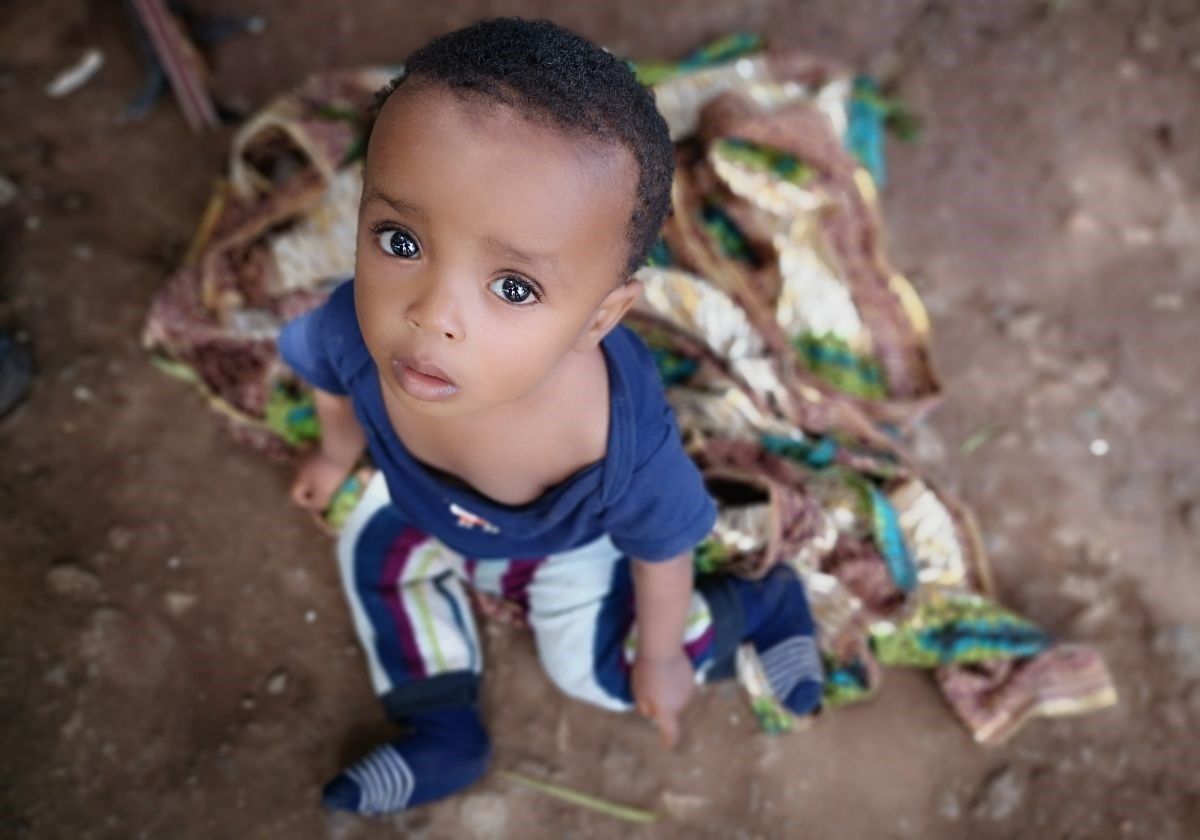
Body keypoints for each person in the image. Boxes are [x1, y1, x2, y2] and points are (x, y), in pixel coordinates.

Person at [279, 18, 823, 815]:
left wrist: (664, 657)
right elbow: (326, 376)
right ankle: (442, 729)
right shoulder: (352, 328)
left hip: (569, 550)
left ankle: (760, 607)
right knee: (372, 548)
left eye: (513, 288)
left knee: (600, 674)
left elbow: (664, 549)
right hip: (419, 502)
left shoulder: (619, 449)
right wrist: (335, 454)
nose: (431, 315)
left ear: (601, 318)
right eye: (399, 239)